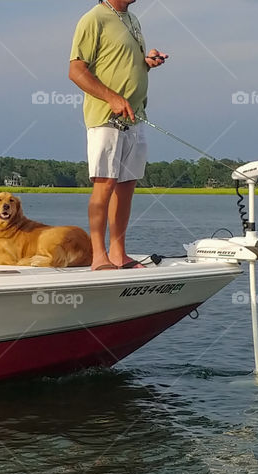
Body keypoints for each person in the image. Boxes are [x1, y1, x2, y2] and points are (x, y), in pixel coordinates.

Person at [69, 0, 168, 271]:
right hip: (106, 118)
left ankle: (118, 253)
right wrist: (111, 97)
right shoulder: (93, 19)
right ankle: (98, 255)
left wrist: (146, 62)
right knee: (105, 184)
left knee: (127, 187)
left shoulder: (132, 19)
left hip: (135, 117)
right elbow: (76, 71)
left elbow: (120, 62)